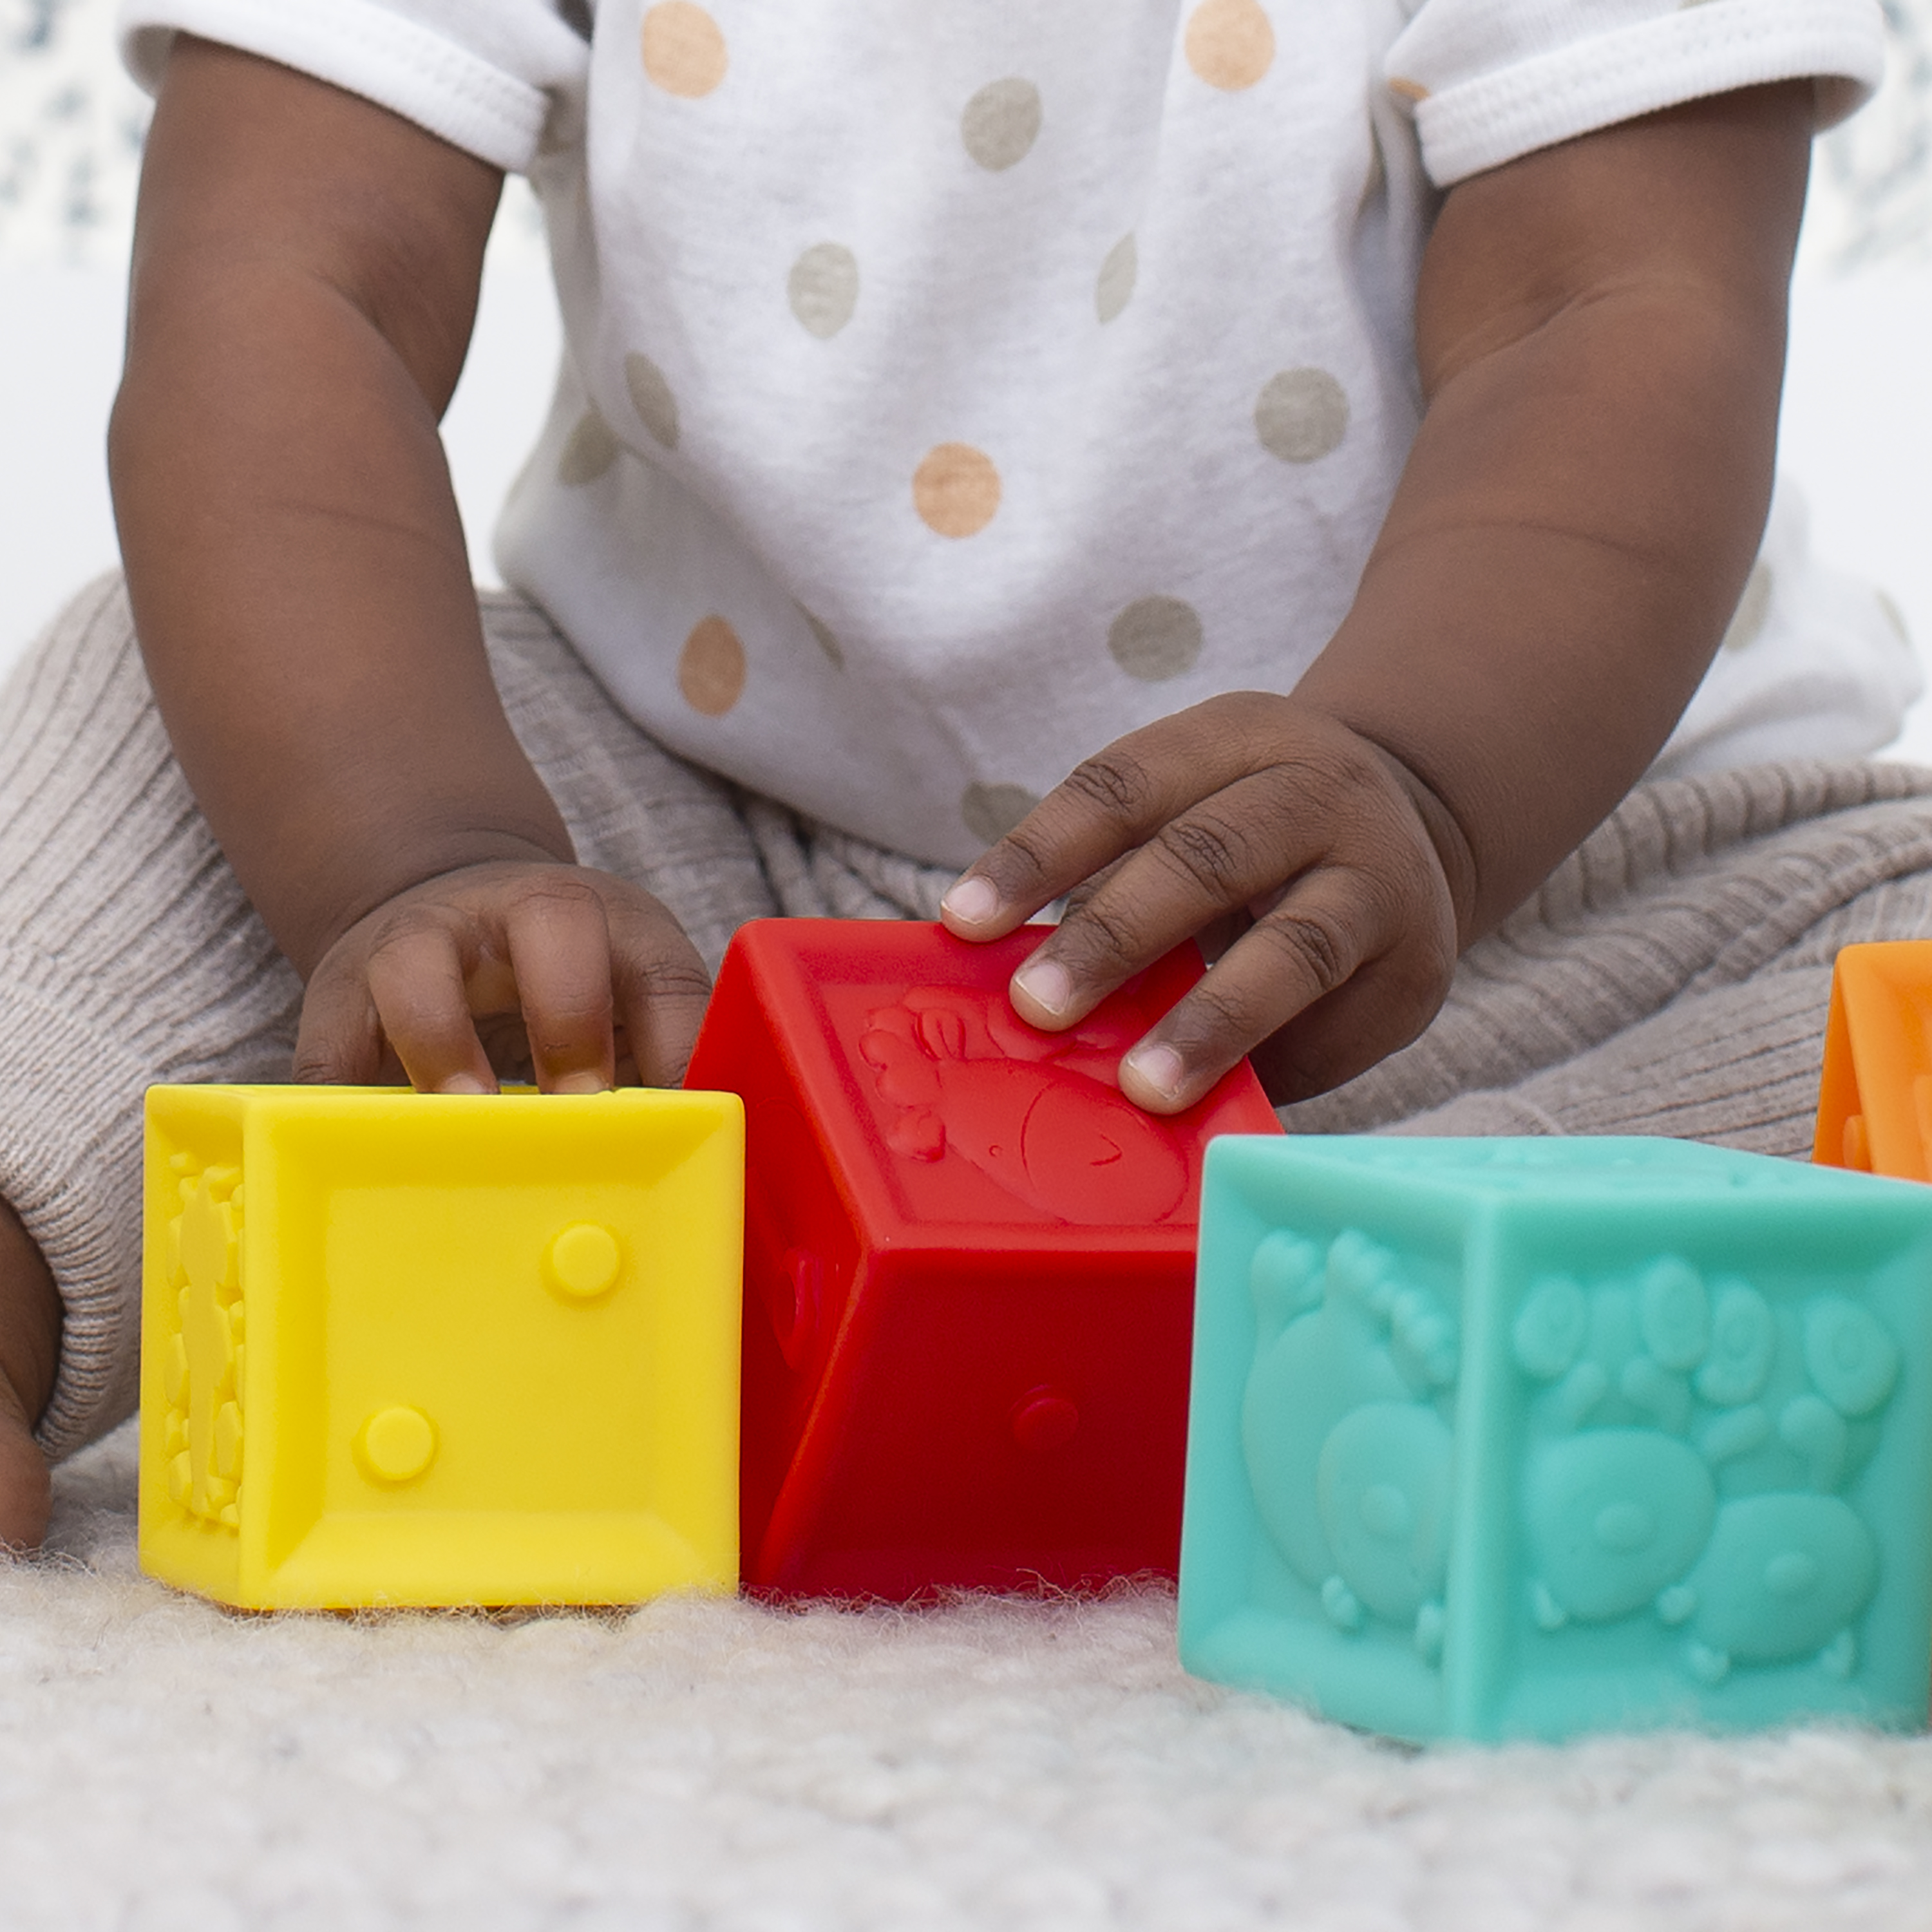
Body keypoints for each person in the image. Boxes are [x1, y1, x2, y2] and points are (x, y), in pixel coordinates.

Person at [0, 0, 1920, 1549]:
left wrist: (1422, 782)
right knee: (162, 712)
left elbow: (1610, 309)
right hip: (674, 891)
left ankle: (1373, 1292)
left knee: (1889, 978)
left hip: (1469, 903)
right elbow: (281, 293)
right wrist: (420, 852)